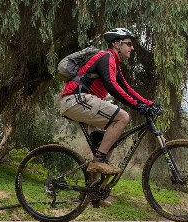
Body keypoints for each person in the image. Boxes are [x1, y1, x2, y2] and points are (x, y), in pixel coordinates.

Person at [59, 28, 156, 175]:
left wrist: (149, 103)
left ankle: (93, 195)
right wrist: (137, 106)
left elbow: (127, 89)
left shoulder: (115, 64)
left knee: (107, 144)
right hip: (75, 99)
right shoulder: (106, 57)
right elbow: (112, 86)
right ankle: (98, 160)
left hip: (84, 102)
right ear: (117, 44)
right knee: (123, 117)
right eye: (129, 44)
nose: (132, 47)